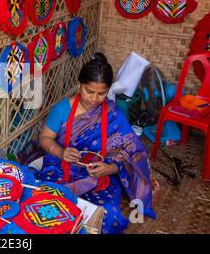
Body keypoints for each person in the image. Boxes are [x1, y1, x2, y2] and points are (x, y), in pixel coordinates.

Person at [35, 52, 156, 234]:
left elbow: (132, 152)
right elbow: (44, 138)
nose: (93, 99)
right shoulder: (62, 109)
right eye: (89, 91)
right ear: (79, 86)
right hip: (61, 167)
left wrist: (111, 168)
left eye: (102, 94)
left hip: (99, 175)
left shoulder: (112, 113)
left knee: (106, 216)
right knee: (49, 205)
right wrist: (60, 152)